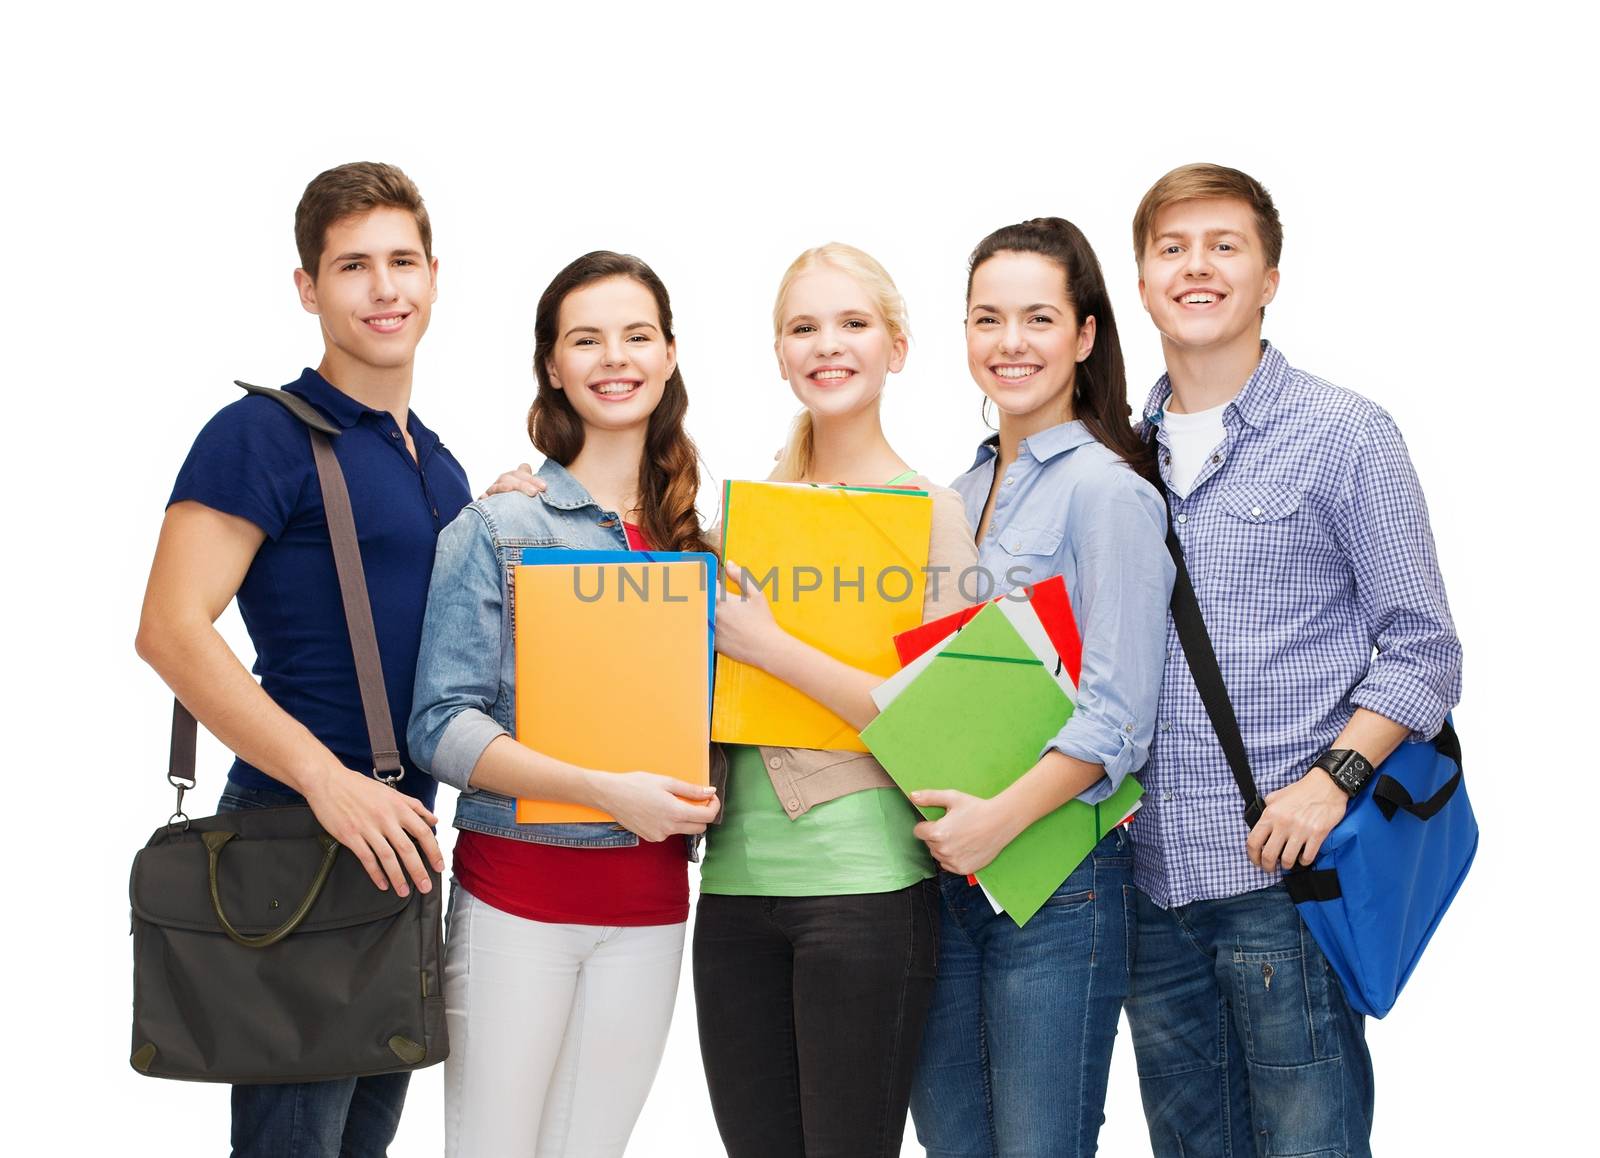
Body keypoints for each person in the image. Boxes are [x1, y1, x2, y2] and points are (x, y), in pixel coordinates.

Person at [1122, 163, 1462, 1158]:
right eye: (1171, 248)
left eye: (1223, 246)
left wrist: (1332, 779)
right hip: (1151, 886)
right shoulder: (1112, 457)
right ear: (1141, 280)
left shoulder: (1344, 435)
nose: (1197, 268)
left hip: (1286, 885)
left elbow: (1425, 650)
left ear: (1268, 275)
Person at [135, 161, 467, 1156]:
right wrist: (330, 784)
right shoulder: (258, 436)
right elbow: (170, 629)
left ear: (434, 277)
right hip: (298, 833)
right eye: (353, 265)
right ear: (308, 288)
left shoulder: (438, 461)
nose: (384, 288)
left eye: (402, 261)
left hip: (400, 841)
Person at [407, 250, 721, 1158]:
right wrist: (603, 790)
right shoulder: (501, 526)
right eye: (586, 339)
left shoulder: (707, 538)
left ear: (669, 356)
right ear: (553, 363)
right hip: (520, 902)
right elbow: (442, 724)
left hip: (653, 909)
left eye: (636, 336)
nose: (614, 359)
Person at [694, 243, 976, 1158]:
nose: (829, 345)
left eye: (853, 323)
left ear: (897, 346)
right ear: (779, 354)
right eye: (804, 327)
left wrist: (770, 647)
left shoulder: (934, 514)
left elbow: (936, 727)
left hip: (865, 891)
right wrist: (532, 488)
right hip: (733, 890)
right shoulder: (739, 519)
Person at [907, 218, 1175, 1158]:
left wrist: (997, 823)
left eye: (1037, 318)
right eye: (987, 318)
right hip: (945, 876)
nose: (1009, 343)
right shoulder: (954, 489)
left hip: (1059, 877)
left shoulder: (1109, 493)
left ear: (1086, 335)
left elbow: (1116, 719)